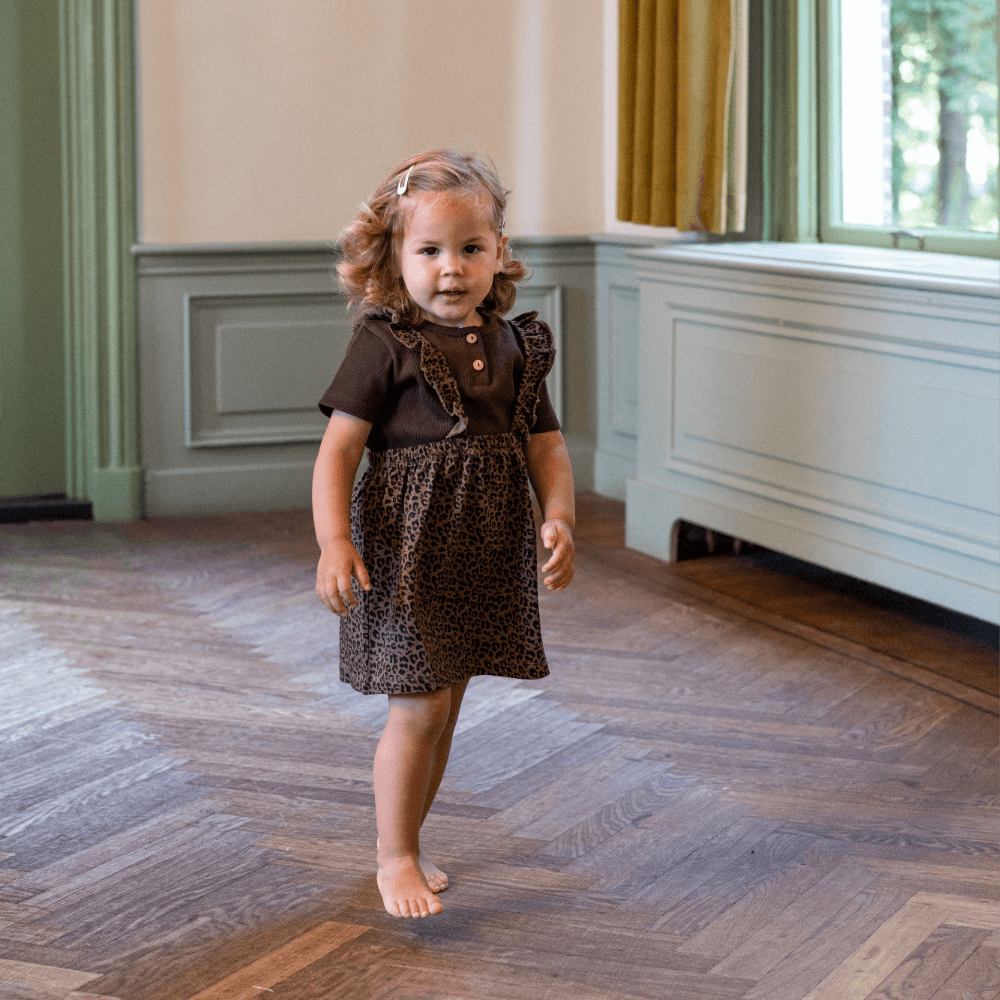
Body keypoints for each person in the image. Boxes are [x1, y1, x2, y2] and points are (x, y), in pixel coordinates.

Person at [312, 150, 576, 919]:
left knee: (447, 702)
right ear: (395, 258)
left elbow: (545, 446)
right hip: (408, 552)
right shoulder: (385, 343)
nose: (451, 268)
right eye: (429, 250)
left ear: (499, 252)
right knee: (420, 706)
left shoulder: (516, 344)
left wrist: (559, 516)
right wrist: (334, 542)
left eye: (470, 248)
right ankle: (393, 856)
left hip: (484, 550)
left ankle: (411, 840)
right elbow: (339, 452)